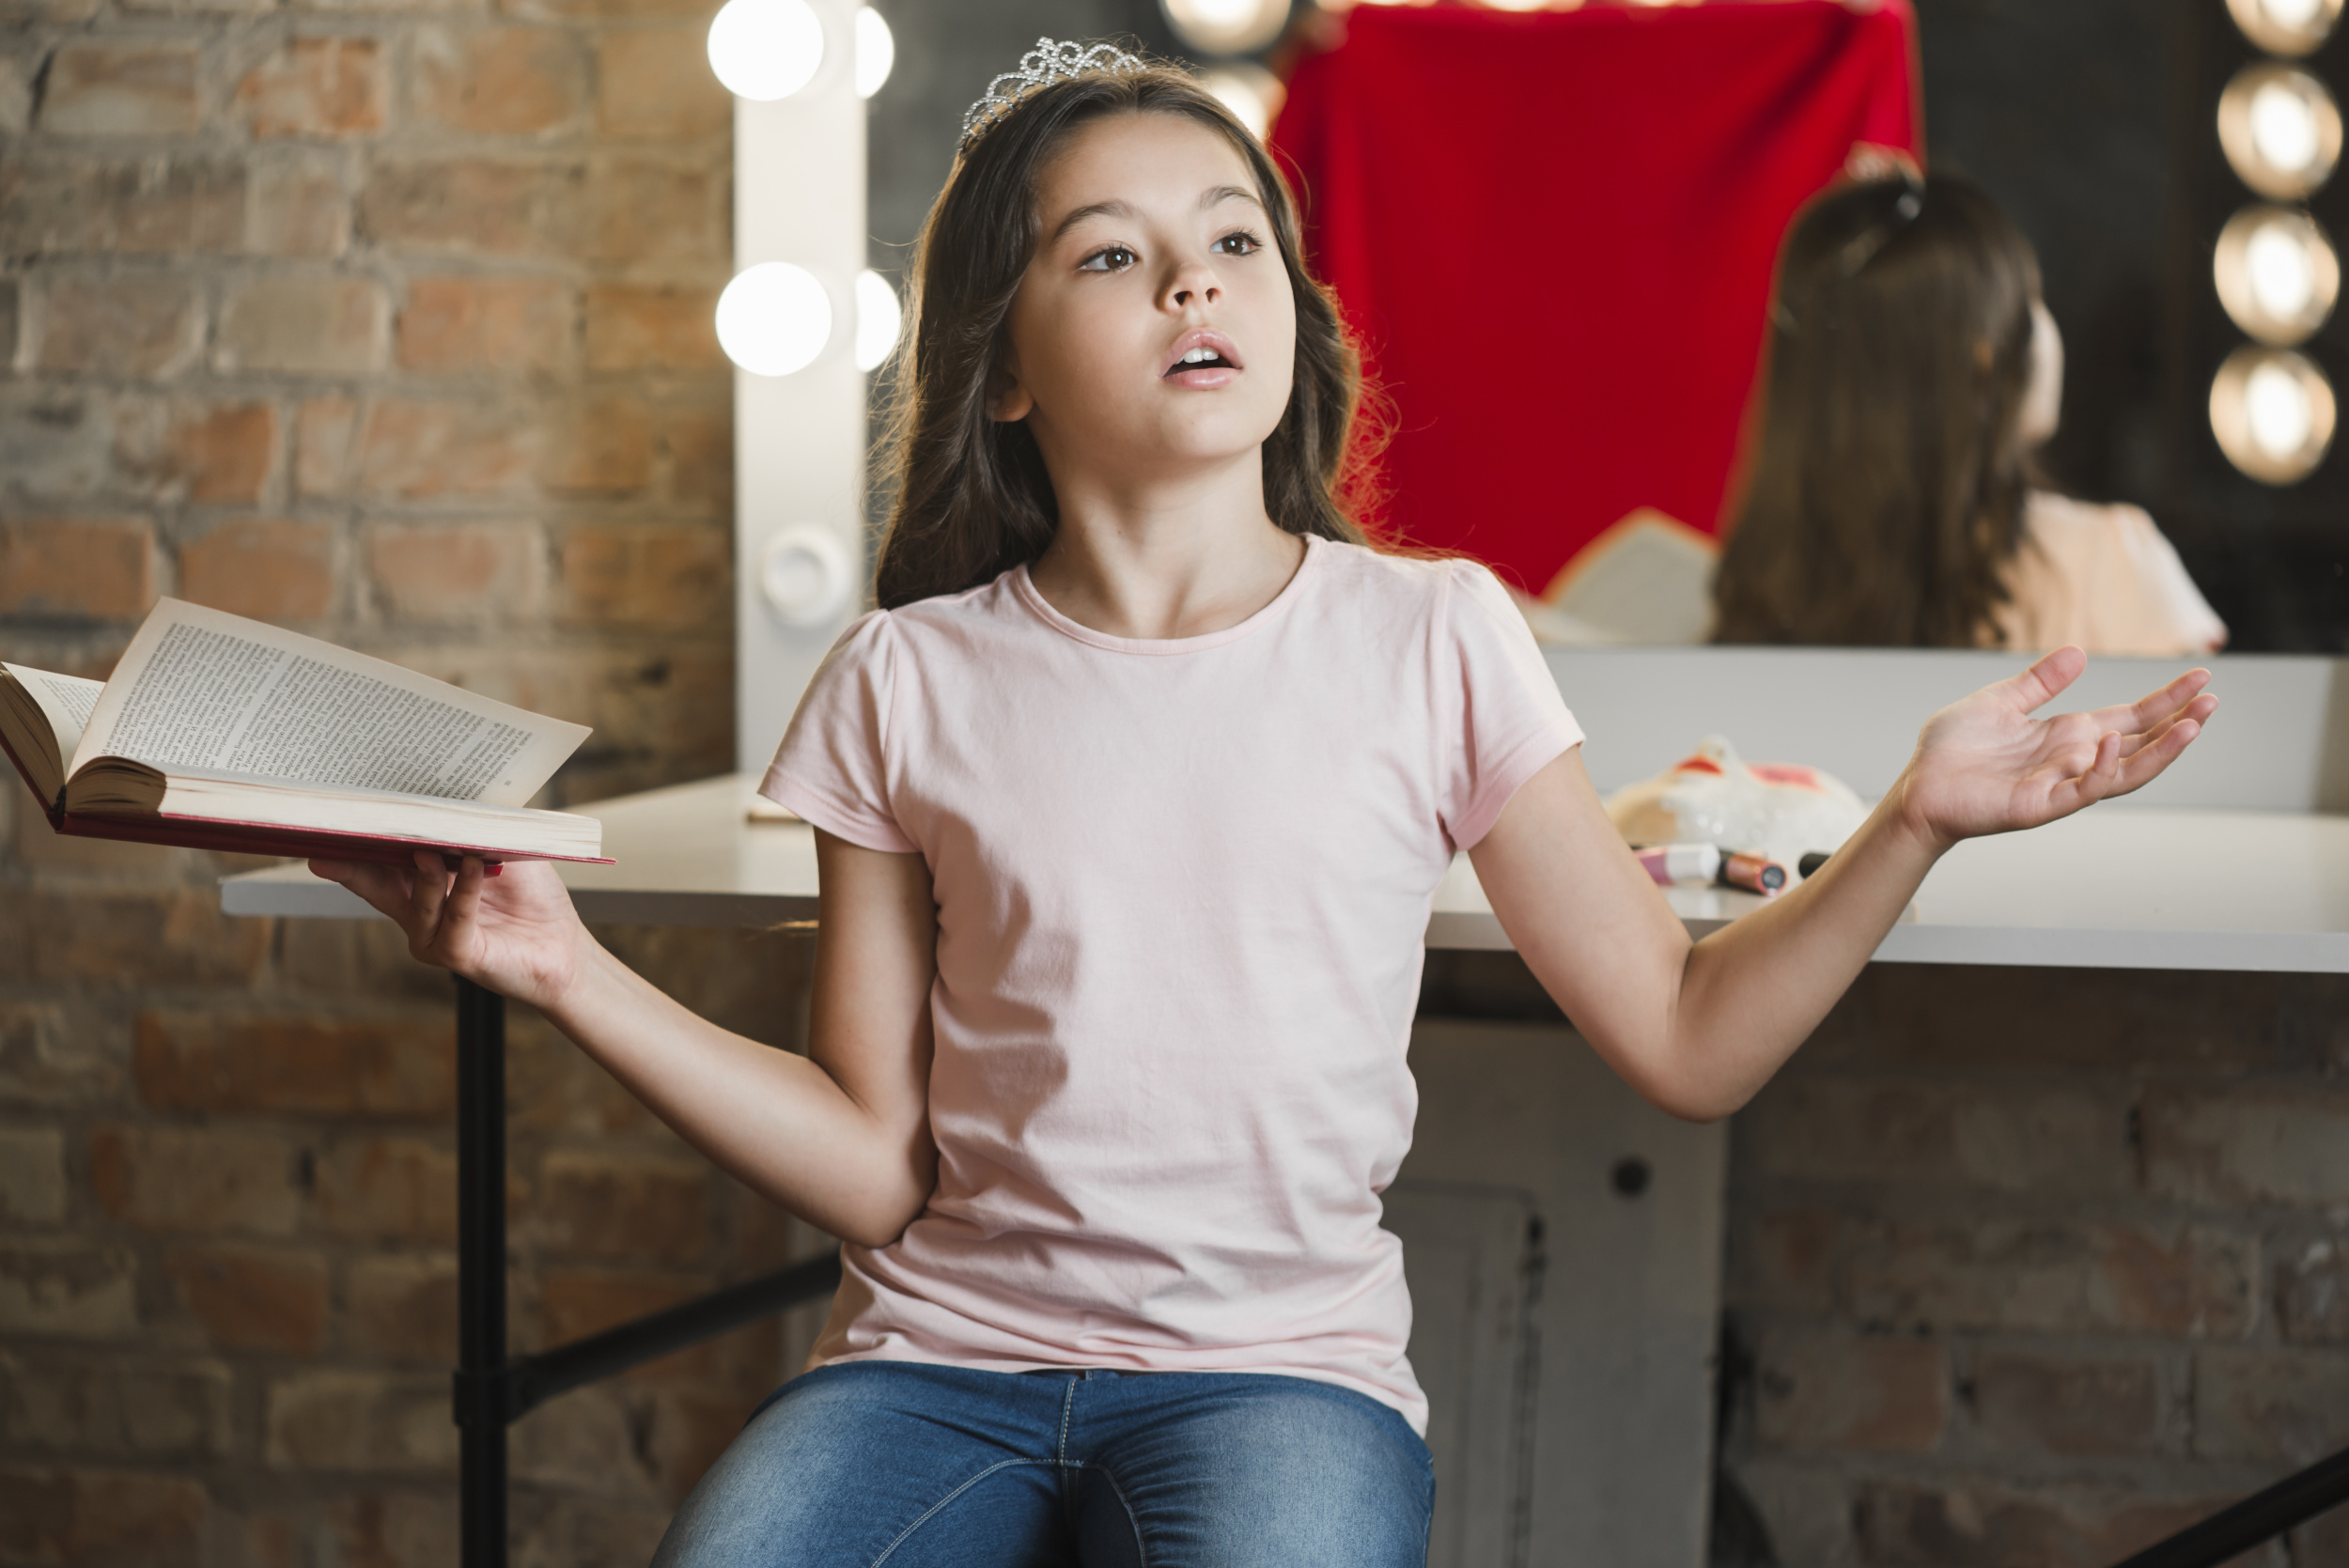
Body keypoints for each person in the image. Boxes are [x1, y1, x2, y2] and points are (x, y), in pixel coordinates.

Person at [308, 43, 2216, 1568]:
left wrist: (1912, 820)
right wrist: (560, 969)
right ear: (999, 374)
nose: (1192, 279)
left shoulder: (1431, 637)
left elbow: (1687, 1037)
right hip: (929, 1371)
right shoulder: (906, 681)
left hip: (1272, 1385)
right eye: (1109, 254)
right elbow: (879, 1163)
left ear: (1290, 306)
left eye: (1231, 238)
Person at [1711, 171, 2228, 655]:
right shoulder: (2106, 563)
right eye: (2031, 300)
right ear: (1983, 356)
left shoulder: (1754, 590)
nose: (2047, 330)